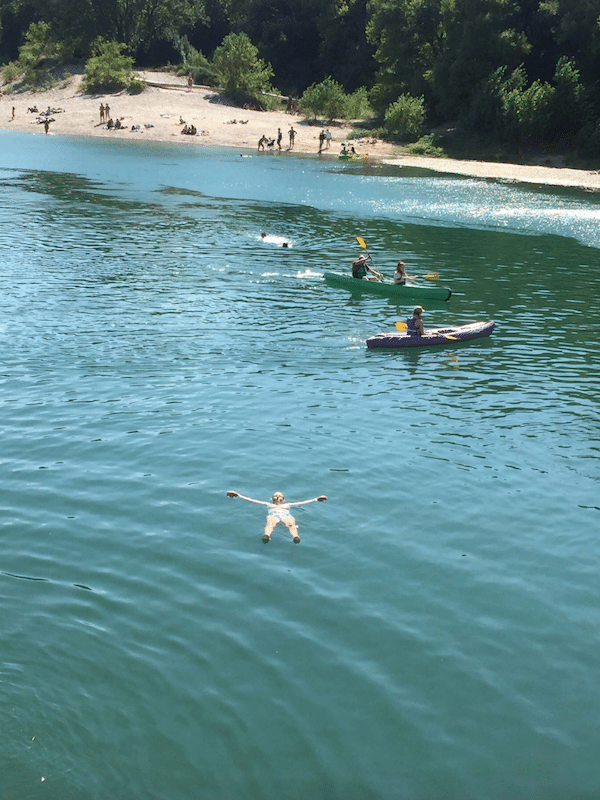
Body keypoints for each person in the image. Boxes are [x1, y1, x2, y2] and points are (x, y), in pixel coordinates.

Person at [226, 490, 328, 543]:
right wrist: (239, 495)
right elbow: (252, 500)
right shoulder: (269, 504)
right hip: (273, 514)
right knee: (270, 524)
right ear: (272, 499)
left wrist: (315, 499)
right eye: (276, 496)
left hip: (285, 514)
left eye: (279, 496)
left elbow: (302, 503)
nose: (277, 497)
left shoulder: (287, 505)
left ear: (283, 499)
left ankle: (295, 536)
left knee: (291, 524)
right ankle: (267, 535)